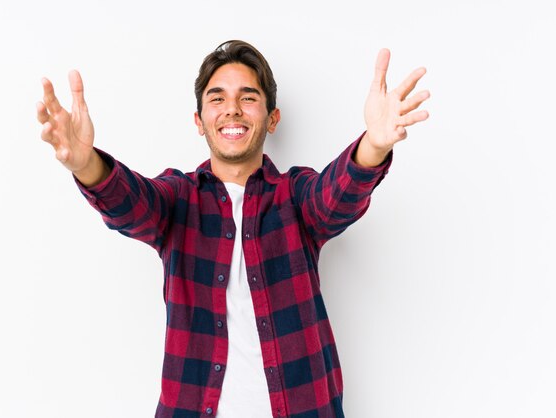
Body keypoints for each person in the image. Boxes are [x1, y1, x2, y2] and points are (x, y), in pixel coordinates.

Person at [36, 40, 429, 418]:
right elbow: (130, 203)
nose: (232, 110)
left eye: (249, 97)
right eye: (217, 98)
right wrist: (86, 163)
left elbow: (336, 197)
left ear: (272, 118)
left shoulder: (296, 195)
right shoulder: (178, 199)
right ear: (199, 120)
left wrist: (373, 147)